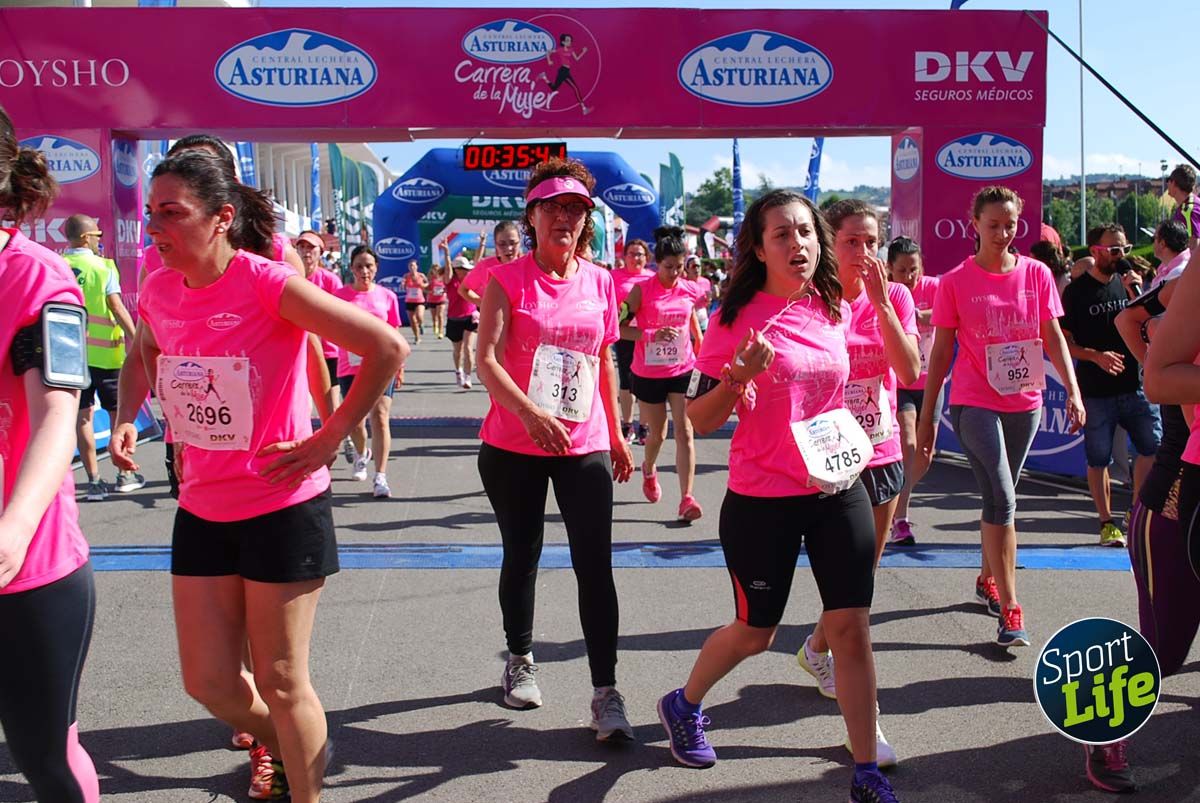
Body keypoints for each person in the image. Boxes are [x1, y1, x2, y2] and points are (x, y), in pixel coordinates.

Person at [110, 150, 407, 803]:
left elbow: (386, 347)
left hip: (281, 501)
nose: (154, 227)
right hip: (202, 504)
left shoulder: (267, 281)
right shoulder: (157, 289)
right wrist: (128, 416)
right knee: (209, 682)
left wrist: (328, 437)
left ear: (220, 218)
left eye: (171, 212)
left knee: (279, 676)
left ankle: (305, 783)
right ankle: (301, 742)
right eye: (150, 212)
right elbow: (144, 350)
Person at [657, 189, 899, 803]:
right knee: (755, 632)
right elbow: (704, 421)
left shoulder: (831, 306)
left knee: (850, 627)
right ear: (759, 249)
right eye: (782, 235)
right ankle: (683, 705)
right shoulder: (733, 319)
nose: (798, 245)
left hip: (835, 485)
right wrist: (738, 376)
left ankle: (866, 770)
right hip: (762, 496)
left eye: (805, 233)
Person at [475, 158, 635, 739]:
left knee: (595, 567)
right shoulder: (505, 278)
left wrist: (617, 434)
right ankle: (519, 659)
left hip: (584, 443)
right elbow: (485, 359)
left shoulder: (600, 281)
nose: (564, 217)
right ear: (534, 215)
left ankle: (606, 693)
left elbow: (605, 360)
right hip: (514, 443)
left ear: (585, 220)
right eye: (553, 207)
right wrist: (530, 413)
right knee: (523, 554)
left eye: (575, 208)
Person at [917, 186, 1084, 647]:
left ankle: (986, 577)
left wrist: (1073, 390)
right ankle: (1011, 609)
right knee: (1004, 496)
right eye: (993, 225)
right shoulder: (955, 281)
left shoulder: (1036, 274)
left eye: (1009, 225)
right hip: (974, 401)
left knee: (997, 498)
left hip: (1024, 403)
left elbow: (1053, 338)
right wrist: (927, 414)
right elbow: (943, 351)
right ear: (974, 225)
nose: (1002, 233)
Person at [0, 103, 100, 803]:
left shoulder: (40, 280)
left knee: (45, 757)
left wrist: (10, 531)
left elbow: (57, 415)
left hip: (26, 570)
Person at [794, 200, 917, 767]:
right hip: (829, 458)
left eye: (872, 242)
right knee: (856, 602)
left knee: (861, 578)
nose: (864, 254)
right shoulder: (809, 301)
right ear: (828, 243)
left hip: (882, 449)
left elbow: (910, 369)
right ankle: (865, 729)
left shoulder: (895, 296)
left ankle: (819, 647)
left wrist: (881, 301)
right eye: (851, 242)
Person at [1061, 223, 1161, 548]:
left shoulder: (1130, 286)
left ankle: (1136, 510)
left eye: (1124, 249)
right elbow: (1063, 342)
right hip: (1096, 390)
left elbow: (1151, 326)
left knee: (1152, 447)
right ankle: (1106, 522)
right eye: (1113, 250)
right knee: (1098, 458)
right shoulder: (1076, 292)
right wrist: (1094, 356)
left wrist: (1138, 292)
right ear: (1095, 251)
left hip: (1134, 385)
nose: (1121, 256)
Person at [621, 226, 704, 521]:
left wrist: (700, 344)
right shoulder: (641, 290)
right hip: (648, 373)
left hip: (682, 368)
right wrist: (650, 334)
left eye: (680, 268)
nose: (675, 274)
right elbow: (619, 328)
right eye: (669, 268)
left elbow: (691, 316)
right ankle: (649, 468)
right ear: (657, 263)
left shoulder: (689, 288)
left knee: (685, 431)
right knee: (657, 434)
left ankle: (686, 499)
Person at [61, 214, 140, 500]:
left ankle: (94, 481)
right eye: (96, 235)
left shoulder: (57, 265)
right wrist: (136, 337)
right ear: (85, 238)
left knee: (82, 419)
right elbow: (116, 307)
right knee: (118, 415)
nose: (99, 240)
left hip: (69, 358)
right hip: (105, 356)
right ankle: (125, 473)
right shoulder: (103, 267)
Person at [334, 246, 406, 498]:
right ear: (351, 269)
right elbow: (332, 328)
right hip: (350, 366)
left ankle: (380, 476)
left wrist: (400, 365)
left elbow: (395, 333)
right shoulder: (339, 296)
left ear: (376, 268)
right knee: (355, 422)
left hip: (382, 364)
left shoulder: (387, 296)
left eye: (369, 266)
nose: (364, 271)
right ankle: (363, 453)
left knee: (381, 415)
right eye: (359, 266)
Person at [886, 236, 942, 545]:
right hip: (901, 381)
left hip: (931, 380)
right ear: (890, 270)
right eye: (903, 270)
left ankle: (895, 497)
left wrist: (922, 317)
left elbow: (949, 315)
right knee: (907, 441)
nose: (910, 277)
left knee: (924, 454)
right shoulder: (889, 293)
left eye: (914, 270)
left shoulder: (932, 288)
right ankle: (901, 518)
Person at [295, 230, 354, 465]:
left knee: (329, 407)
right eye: (302, 247)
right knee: (301, 403)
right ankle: (310, 451)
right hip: (297, 351)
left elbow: (341, 317)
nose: (306, 252)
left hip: (328, 353)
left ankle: (341, 441)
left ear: (321, 253)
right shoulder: (290, 276)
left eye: (311, 248)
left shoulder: (329, 280)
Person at [611, 238, 654, 445]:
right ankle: (627, 425)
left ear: (647, 258)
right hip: (625, 334)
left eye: (640, 254)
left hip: (648, 335)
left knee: (646, 379)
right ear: (624, 257)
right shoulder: (614, 277)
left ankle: (644, 425)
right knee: (627, 379)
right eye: (632, 254)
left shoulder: (653, 278)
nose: (636, 258)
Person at [461, 220, 523, 307]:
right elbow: (463, 290)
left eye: (513, 243)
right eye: (502, 244)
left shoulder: (529, 264)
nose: (509, 248)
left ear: (519, 242)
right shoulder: (485, 266)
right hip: (495, 319)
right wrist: (485, 305)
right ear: (495, 244)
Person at [442, 249, 478, 389]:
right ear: (457, 269)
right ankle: (459, 371)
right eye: (463, 269)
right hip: (454, 319)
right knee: (458, 350)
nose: (466, 271)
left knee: (468, 348)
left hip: (470, 317)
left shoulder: (471, 278)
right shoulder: (450, 281)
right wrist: (446, 252)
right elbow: (447, 270)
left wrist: (481, 243)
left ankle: (468, 377)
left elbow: (477, 259)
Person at [538, 33, 591, 115]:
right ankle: (584, 109)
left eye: (570, 40)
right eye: (567, 40)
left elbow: (576, 59)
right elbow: (548, 52)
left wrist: (583, 52)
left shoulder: (571, 50)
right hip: (563, 71)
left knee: (554, 88)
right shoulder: (560, 49)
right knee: (575, 88)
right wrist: (549, 61)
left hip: (566, 71)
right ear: (563, 42)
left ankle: (544, 77)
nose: (569, 42)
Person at [1165, 163, 1200, 251]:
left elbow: (1193, 246)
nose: (1167, 183)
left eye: (1168, 179)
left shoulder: (1188, 211)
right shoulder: (1191, 204)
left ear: (1174, 183)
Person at [1151, 220, 1190, 288]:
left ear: (1162, 243)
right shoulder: (1169, 270)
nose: (1152, 243)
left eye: (1154, 238)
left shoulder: (1177, 273)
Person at [685, 254, 714, 334]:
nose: (697, 269)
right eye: (693, 266)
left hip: (703, 320)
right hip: (689, 323)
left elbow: (707, 304)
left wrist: (709, 300)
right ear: (687, 268)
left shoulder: (706, 282)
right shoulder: (683, 283)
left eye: (698, 266)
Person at [402, 259, 428, 343]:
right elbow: (403, 286)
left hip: (419, 300)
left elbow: (428, 284)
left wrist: (423, 285)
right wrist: (403, 285)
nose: (412, 267)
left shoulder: (421, 276)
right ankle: (417, 337)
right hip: (409, 300)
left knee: (419, 316)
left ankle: (421, 324)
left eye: (413, 265)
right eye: (410, 266)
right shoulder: (406, 276)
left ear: (417, 267)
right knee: (412, 321)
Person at [428, 259, 449, 339]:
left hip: (441, 299)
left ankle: (441, 332)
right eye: (434, 269)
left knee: (440, 315)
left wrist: (444, 291)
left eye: (437, 269)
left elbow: (447, 287)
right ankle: (435, 325)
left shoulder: (443, 278)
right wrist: (430, 291)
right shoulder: (430, 278)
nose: (436, 271)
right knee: (434, 317)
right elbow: (425, 288)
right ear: (432, 270)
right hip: (432, 299)